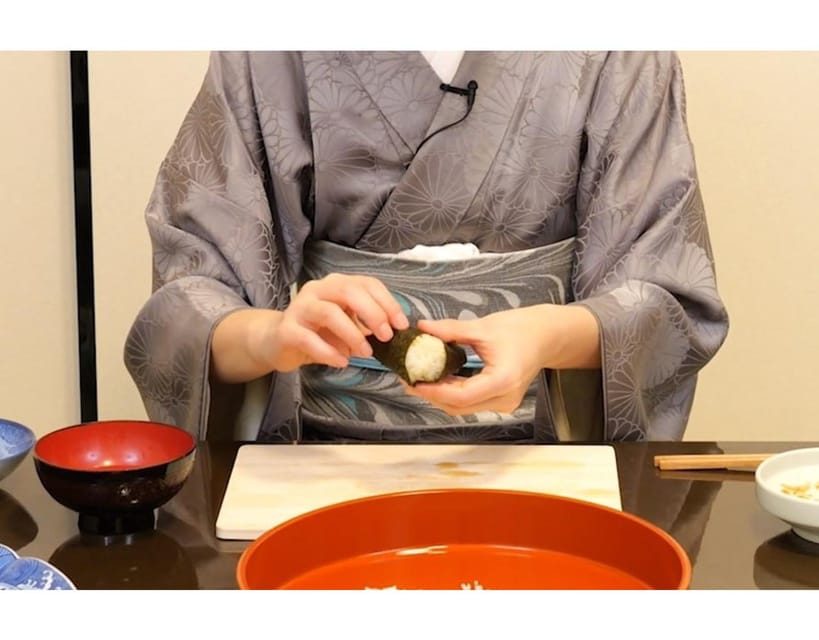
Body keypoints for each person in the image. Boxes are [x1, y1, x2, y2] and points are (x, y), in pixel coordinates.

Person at [125, 51, 729, 443]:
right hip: (321, 464)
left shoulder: (619, 46)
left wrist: (545, 334)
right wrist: (272, 335)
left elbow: (665, 298)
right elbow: (190, 296)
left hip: (546, 460)